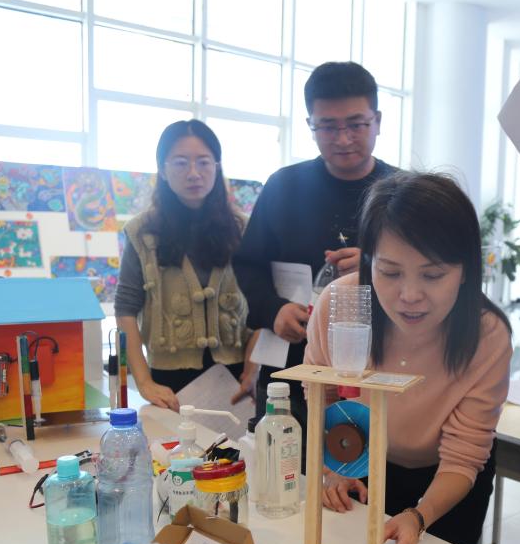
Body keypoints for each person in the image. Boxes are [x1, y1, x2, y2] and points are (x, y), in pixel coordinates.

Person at [306, 172, 512, 544]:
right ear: (369, 261)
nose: (410, 295)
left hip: (445, 478)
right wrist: (336, 468)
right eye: (390, 272)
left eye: (432, 275)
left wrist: (419, 516)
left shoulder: (486, 335)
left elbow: (464, 454)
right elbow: (323, 397)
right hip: (359, 458)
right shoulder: (341, 306)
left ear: (465, 270)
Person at [234, 61, 397, 426]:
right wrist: (274, 310)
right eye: (327, 126)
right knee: (285, 457)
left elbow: (430, 277)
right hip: (290, 371)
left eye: (356, 124)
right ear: (310, 124)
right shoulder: (284, 187)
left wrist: (377, 265)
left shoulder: (403, 194)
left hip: (379, 372)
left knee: (366, 459)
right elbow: (247, 266)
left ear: (377, 121)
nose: (343, 138)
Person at [115, 119, 258, 410]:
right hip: (169, 382)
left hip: (237, 377)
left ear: (217, 167)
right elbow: (125, 308)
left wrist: (253, 368)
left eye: (204, 162)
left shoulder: (244, 229)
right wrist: (144, 383)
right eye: (181, 163)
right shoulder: (142, 232)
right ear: (163, 169)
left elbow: (262, 305)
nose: (194, 173)